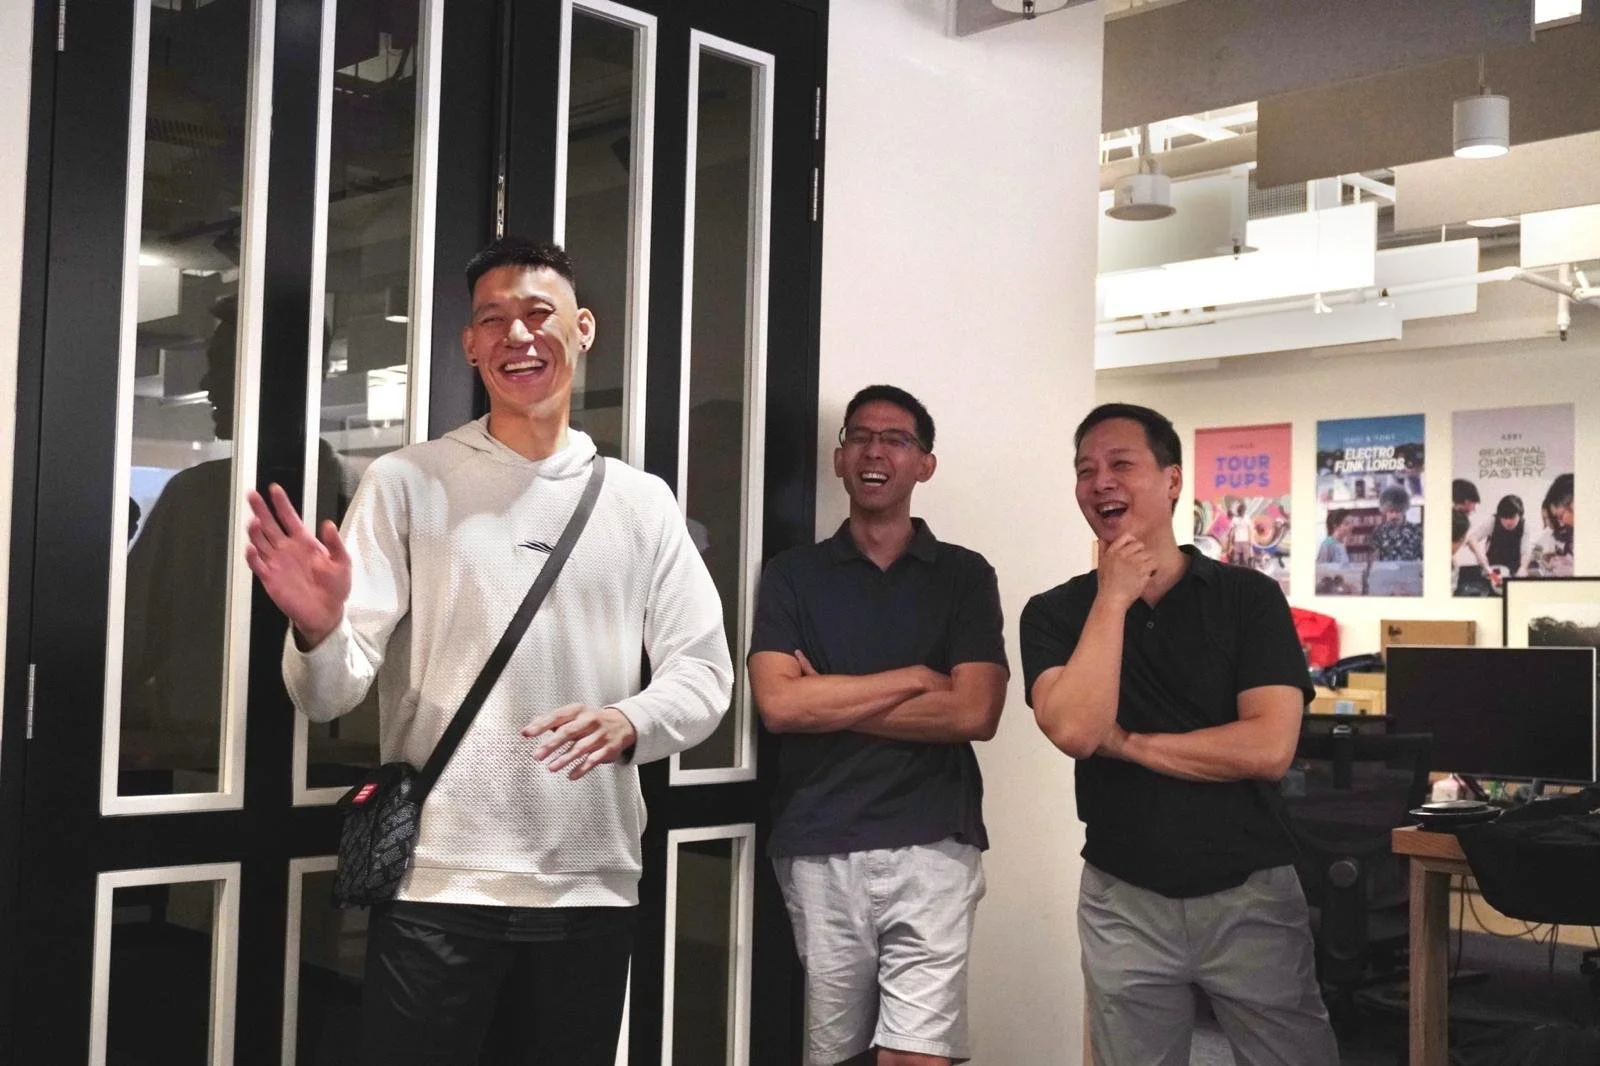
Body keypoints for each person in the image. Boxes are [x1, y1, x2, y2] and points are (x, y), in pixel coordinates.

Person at [245, 237, 733, 1065]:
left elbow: (705, 671)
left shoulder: (641, 503)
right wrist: (320, 628)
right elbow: (329, 695)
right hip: (438, 880)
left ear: (583, 329)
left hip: (589, 880)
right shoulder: (408, 482)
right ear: (471, 346)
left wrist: (632, 720)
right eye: (494, 320)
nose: (518, 336)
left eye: (539, 314)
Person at [1021, 402, 1337, 1066]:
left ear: (1172, 480)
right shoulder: (1054, 612)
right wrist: (1113, 597)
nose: (1100, 482)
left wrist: (1129, 744)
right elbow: (1076, 729)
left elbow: (1268, 748)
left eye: (1121, 464)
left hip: (1249, 890)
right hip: (1122, 897)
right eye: (1085, 470)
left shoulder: (1247, 598)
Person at [748, 384, 1008, 1066]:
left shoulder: (963, 575)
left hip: (935, 843)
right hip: (818, 842)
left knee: (915, 1056)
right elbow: (781, 707)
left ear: (925, 464)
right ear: (839, 460)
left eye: (896, 440)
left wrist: (829, 698)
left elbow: (975, 712)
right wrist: (918, 677)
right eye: (860, 437)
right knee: (836, 1055)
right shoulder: (792, 575)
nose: (874, 451)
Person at [1528, 473, 1574, 576]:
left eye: (1549, 518)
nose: (1547, 523)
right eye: (1544, 519)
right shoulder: (1548, 534)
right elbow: (1535, 555)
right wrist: (1543, 561)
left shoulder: (1569, 531)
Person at [1370, 483, 1422, 562]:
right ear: (1385, 511)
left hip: (1410, 569)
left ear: (1404, 510)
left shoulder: (1416, 531)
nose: (1394, 515)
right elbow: (1374, 560)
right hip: (1386, 569)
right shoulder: (1378, 532)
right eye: (1391, 511)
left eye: (1398, 511)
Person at [1485, 495, 1525, 582]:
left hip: (1514, 570)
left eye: (1512, 517)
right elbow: (1473, 538)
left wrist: (1523, 568)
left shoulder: (1525, 526)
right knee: (1495, 585)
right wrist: (1481, 558)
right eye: (1504, 517)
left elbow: (1525, 552)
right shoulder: (1493, 520)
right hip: (1494, 568)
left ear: (1520, 515)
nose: (1508, 522)